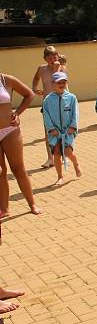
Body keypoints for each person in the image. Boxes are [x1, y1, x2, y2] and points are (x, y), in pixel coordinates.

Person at [0, 72, 40, 216]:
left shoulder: (5, 79)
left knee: (18, 169)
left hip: (10, 130)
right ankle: (4, 209)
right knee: (0, 172)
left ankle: (32, 204)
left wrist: (17, 113)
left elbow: (29, 94)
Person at [42, 72, 81, 186]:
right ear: (53, 83)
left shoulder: (71, 98)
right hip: (54, 132)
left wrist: (73, 126)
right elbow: (46, 115)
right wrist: (51, 129)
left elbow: (75, 113)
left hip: (68, 131)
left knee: (68, 152)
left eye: (64, 82)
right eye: (59, 82)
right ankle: (60, 177)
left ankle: (76, 163)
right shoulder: (48, 100)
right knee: (57, 154)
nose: (62, 84)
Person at [31, 45, 62, 168]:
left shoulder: (62, 68)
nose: (52, 58)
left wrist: (56, 70)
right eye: (49, 57)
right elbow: (36, 78)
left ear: (58, 56)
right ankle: (50, 158)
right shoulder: (41, 69)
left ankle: (63, 155)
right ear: (45, 59)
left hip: (61, 103)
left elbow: (59, 83)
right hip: (48, 104)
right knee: (48, 132)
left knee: (61, 131)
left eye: (54, 56)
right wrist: (34, 88)